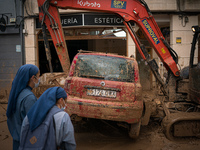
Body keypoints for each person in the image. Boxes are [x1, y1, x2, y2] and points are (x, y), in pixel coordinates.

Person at [6, 64, 40, 150]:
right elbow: (33, 124)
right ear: (33, 78)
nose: (39, 79)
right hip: (26, 142)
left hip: (17, 139)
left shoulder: (17, 93)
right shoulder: (29, 98)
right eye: (38, 76)